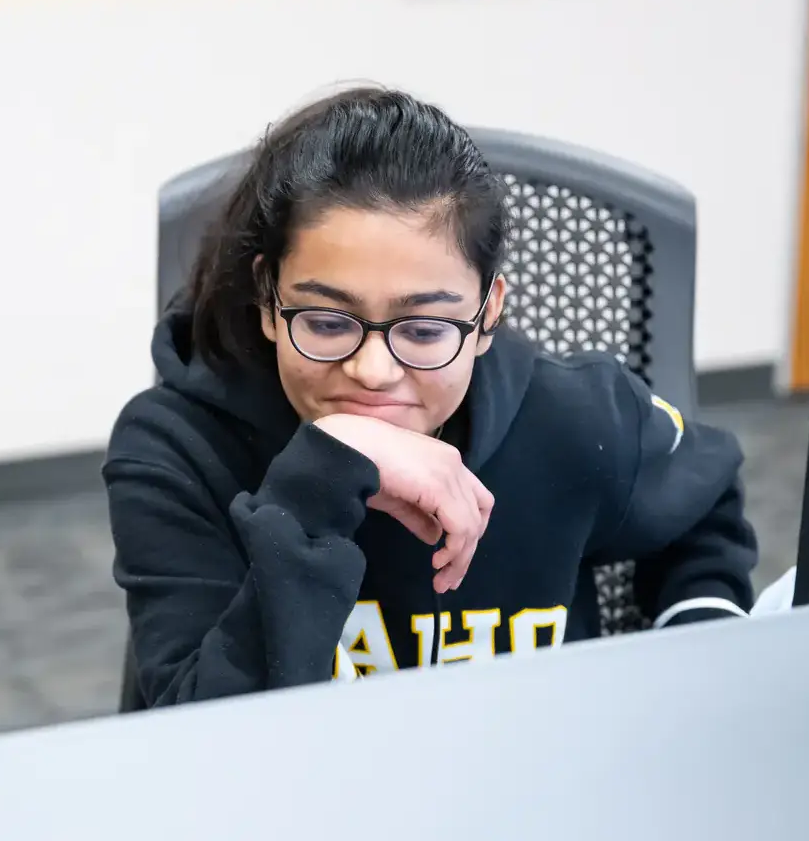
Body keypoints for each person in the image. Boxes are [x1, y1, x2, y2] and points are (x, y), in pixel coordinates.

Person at [105, 87, 757, 706]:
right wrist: (322, 480)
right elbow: (201, 752)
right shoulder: (177, 450)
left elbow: (705, 503)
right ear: (269, 301)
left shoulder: (573, 419)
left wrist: (701, 630)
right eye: (328, 323)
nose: (372, 369)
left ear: (487, 312)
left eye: (422, 329)